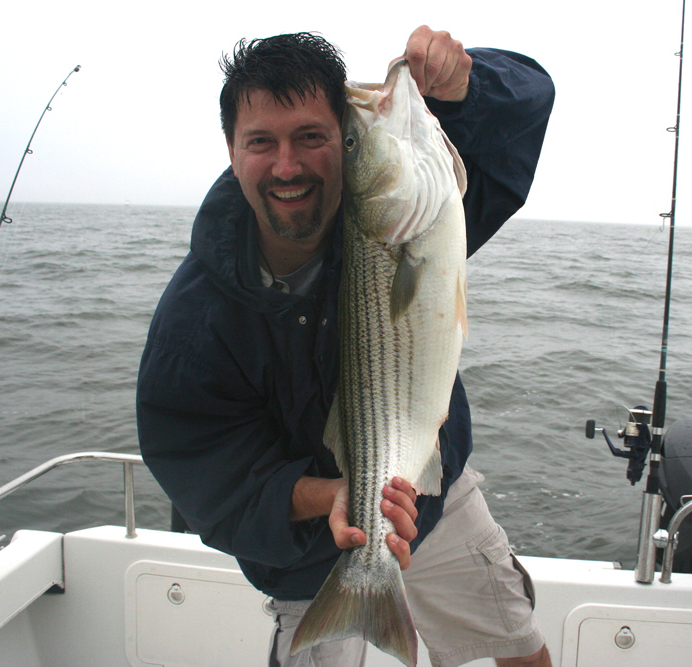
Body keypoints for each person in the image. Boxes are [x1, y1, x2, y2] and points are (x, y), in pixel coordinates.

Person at [137, 26, 555, 667]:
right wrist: (327, 496)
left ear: (338, 140)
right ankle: (358, 588)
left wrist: (467, 83)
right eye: (262, 142)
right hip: (303, 553)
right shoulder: (193, 323)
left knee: (519, 651)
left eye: (314, 136)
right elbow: (204, 475)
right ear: (230, 149)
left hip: (433, 502)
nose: (287, 165)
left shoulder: (416, 211)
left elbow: (525, 106)